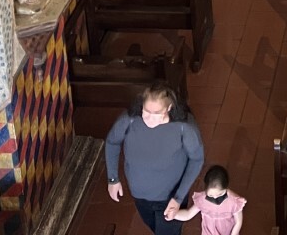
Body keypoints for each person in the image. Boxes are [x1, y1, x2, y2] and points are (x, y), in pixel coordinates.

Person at [105, 82, 205, 235]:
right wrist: (113, 179)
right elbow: (112, 142)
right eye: (146, 112)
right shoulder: (130, 119)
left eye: (157, 113)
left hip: (169, 198)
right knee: (155, 228)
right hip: (140, 196)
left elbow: (196, 159)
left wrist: (178, 198)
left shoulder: (184, 127)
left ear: (169, 108)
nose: (150, 119)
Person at [167, 163, 245, 235]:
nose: (215, 197)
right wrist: (174, 215)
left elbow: (238, 222)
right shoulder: (202, 200)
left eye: (220, 194)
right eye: (210, 195)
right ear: (206, 189)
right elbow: (188, 214)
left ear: (226, 187)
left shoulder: (234, 202)